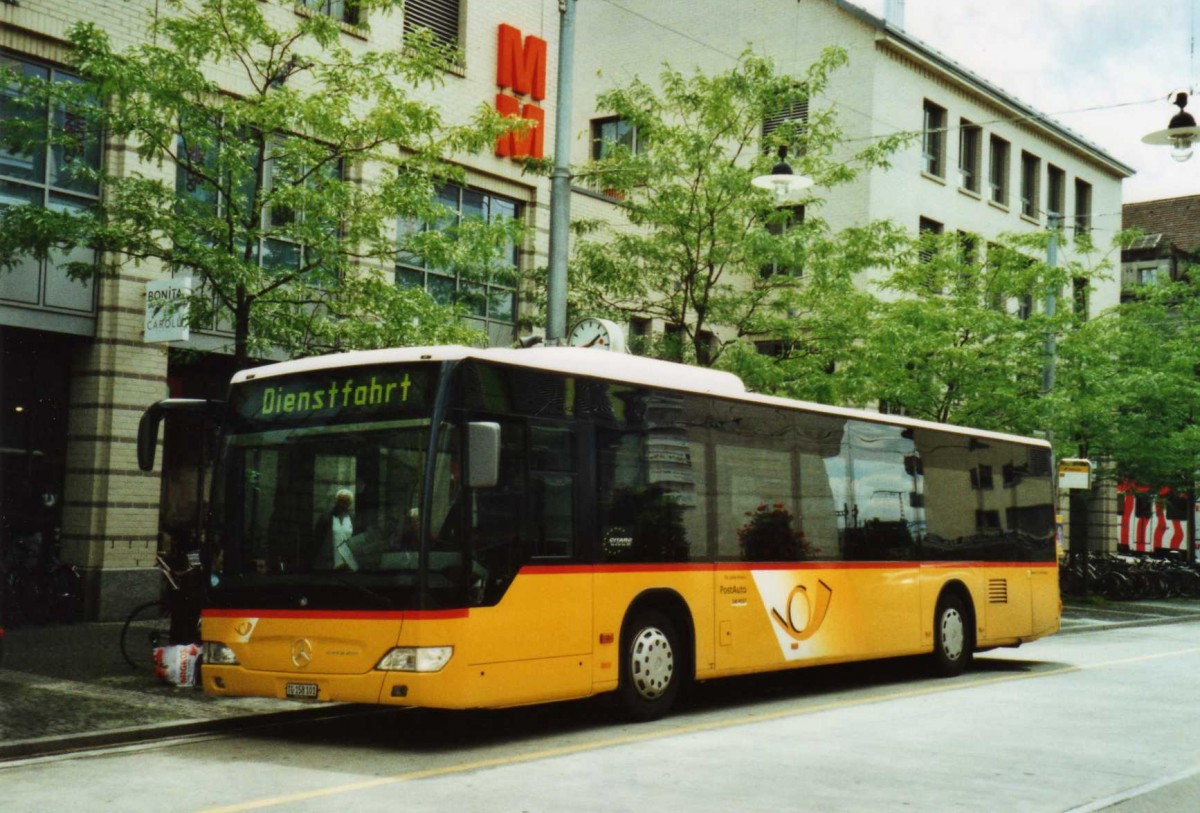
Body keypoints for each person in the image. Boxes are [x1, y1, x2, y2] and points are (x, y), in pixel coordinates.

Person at [315, 488, 358, 571]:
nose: (343, 504)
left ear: (349, 503)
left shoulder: (352, 519)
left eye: (346, 502)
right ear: (337, 502)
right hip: (329, 563)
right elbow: (318, 538)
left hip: (348, 562)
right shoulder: (327, 518)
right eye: (340, 501)